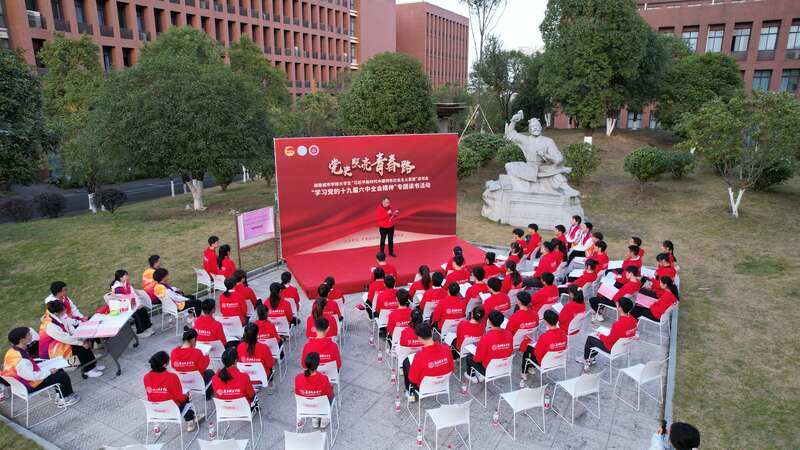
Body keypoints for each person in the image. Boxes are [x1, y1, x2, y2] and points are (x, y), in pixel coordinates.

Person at [2, 327, 79, 407]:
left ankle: (60, 395)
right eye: (28, 334)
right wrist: (49, 371)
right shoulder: (21, 361)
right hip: (28, 385)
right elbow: (32, 376)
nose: (31, 335)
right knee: (61, 376)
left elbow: (27, 370)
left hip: (21, 383)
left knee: (58, 370)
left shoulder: (12, 351)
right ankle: (64, 399)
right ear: (22, 340)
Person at [40, 301, 103, 378]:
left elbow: (69, 326)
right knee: (80, 346)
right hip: (52, 349)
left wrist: (80, 336)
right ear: (56, 313)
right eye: (63, 310)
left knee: (83, 341)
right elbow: (65, 338)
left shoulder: (57, 315)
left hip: (62, 340)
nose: (65, 311)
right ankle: (88, 370)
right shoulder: (50, 325)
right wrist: (81, 343)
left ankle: (93, 365)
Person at [144, 351, 204, 431]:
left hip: (156, 411)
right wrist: (186, 395)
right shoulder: (171, 377)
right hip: (172, 410)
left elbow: (150, 394)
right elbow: (180, 397)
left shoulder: (146, 377)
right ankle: (190, 420)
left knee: (179, 398)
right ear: (165, 365)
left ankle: (192, 418)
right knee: (185, 397)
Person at [580, 298, 637, 369]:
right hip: (624, 347)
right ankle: (591, 357)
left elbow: (608, 341)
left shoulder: (618, 324)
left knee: (591, 338)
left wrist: (600, 335)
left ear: (620, 308)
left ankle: (586, 359)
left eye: (617, 304)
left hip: (613, 348)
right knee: (597, 337)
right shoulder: (634, 320)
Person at [403, 323, 454, 402]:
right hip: (443, 383)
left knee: (406, 362)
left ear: (419, 338)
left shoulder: (419, 356)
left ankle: (410, 392)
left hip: (424, 387)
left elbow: (412, 379)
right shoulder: (447, 348)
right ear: (431, 332)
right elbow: (452, 369)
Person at [463, 311, 513, 382]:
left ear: (489, 321)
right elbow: (510, 351)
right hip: (504, 368)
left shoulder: (486, 337)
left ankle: (471, 376)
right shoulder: (509, 334)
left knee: (469, 357)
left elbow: (477, 359)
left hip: (489, 370)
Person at [521, 310, 567, 379]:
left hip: (545, 362)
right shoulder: (564, 334)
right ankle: (530, 368)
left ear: (545, 321)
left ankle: (524, 372)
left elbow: (537, 354)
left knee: (527, 349)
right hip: (558, 361)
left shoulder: (544, 336)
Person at [171, 329, 214, 400]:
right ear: (193, 339)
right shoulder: (197, 352)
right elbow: (204, 366)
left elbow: (173, 366)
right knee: (210, 372)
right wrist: (206, 356)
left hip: (182, 382)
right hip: (197, 382)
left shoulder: (174, 352)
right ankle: (207, 395)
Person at [110, 269, 154, 337]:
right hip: (123, 307)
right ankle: (140, 332)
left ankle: (147, 327)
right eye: (126, 275)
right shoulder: (117, 288)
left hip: (132, 304)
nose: (128, 276)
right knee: (137, 313)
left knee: (143, 309)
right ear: (121, 278)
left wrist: (139, 304)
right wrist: (135, 307)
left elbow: (134, 295)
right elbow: (121, 301)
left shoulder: (127, 284)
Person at [295, 352, 334, 429]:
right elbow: (329, 394)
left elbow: (298, 394)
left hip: (306, 406)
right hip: (320, 406)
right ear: (318, 364)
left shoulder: (298, 378)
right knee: (331, 394)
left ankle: (314, 419)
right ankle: (324, 420)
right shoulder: (324, 379)